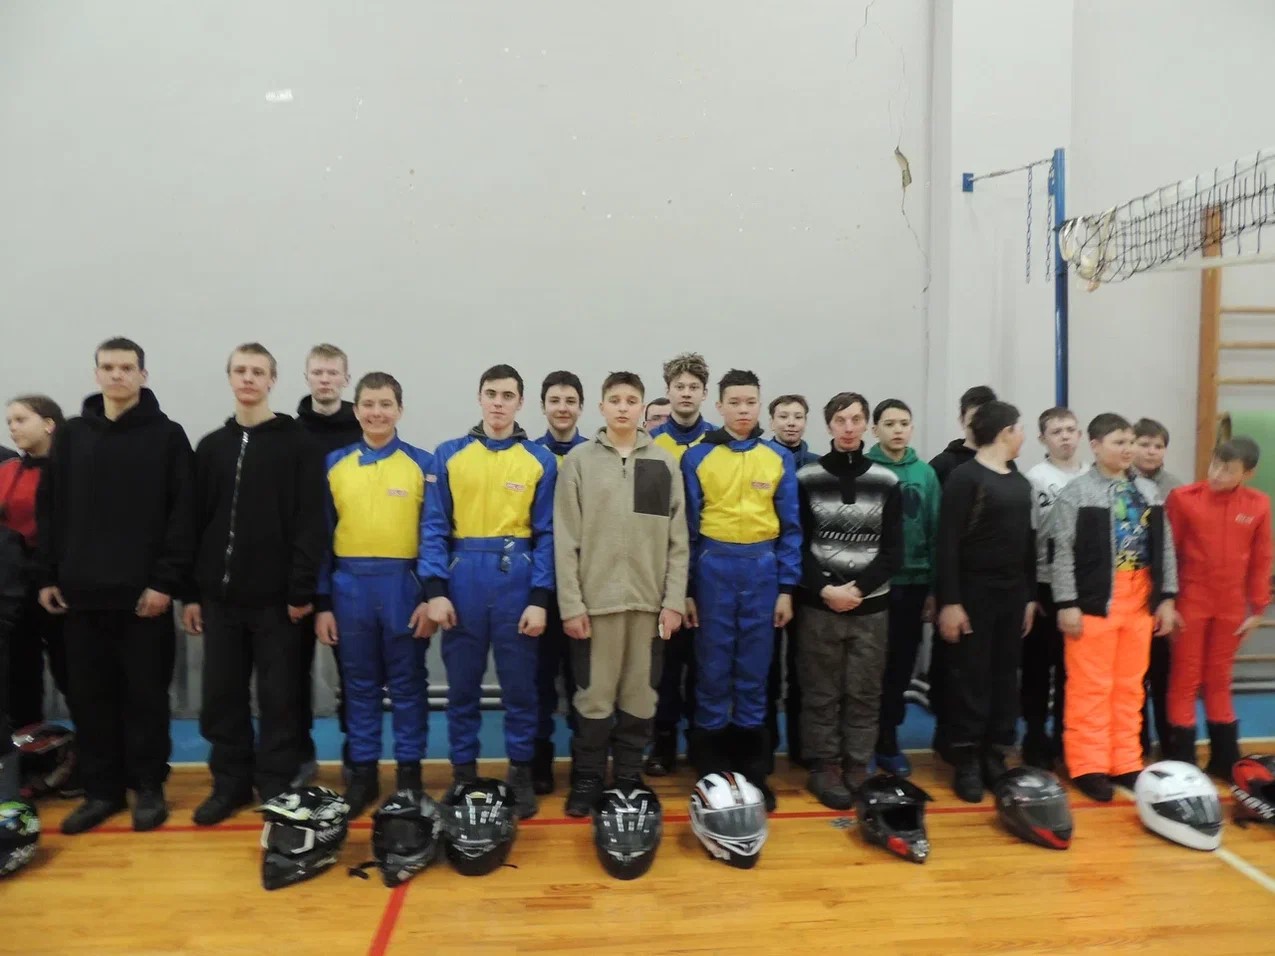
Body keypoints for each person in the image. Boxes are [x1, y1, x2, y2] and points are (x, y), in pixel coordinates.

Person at [36, 337, 196, 834]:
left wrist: (165, 582)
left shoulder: (167, 436)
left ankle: (148, 786)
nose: (117, 375)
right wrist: (48, 575)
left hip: (143, 599)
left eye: (127, 368)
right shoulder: (72, 435)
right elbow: (50, 509)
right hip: (81, 597)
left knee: (145, 697)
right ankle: (102, 791)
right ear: (96, 374)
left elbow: (183, 514)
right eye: (108, 367)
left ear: (143, 375)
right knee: (90, 698)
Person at [183, 344, 326, 825]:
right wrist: (192, 593)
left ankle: (277, 784)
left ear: (272, 381)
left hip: (278, 603)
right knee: (221, 697)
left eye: (257, 371)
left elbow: (310, 523)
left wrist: (300, 589)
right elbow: (194, 523)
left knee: (280, 698)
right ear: (230, 378)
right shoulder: (211, 448)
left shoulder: (299, 445)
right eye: (240, 370)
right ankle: (229, 784)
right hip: (220, 600)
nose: (248, 378)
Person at [422, 365, 557, 818]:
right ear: (479, 398)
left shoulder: (540, 460)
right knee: (462, 687)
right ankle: (463, 773)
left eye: (507, 395)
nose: (498, 402)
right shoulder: (449, 455)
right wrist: (436, 589)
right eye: (491, 394)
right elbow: (434, 527)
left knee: (520, 688)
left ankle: (520, 773)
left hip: (517, 578)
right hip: (463, 581)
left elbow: (548, 534)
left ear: (520, 403)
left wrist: (539, 598)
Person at [553, 371, 688, 816]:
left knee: (640, 697)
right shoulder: (579, 462)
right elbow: (565, 540)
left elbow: (677, 540)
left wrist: (672, 601)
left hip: (648, 608)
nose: (623, 407)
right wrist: (571, 605)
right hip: (596, 607)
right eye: (615, 400)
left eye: (632, 400)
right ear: (602, 407)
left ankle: (629, 777)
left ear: (643, 407)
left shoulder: (662, 463)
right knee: (593, 698)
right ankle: (588, 778)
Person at [314, 372, 435, 817]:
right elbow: (321, 539)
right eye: (368, 404)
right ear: (356, 409)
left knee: (408, 684)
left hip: (404, 585)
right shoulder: (334, 464)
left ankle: (409, 775)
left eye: (386, 404)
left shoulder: (423, 465)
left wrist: (429, 595)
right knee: (358, 685)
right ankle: (363, 774)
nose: (377, 412)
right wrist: (323, 603)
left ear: (399, 410)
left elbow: (434, 534)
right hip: (349, 587)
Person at [682, 369, 801, 810]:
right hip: (713, 568)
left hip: (763, 570)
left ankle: (753, 771)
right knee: (713, 668)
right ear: (719, 406)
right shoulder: (697, 457)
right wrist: (687, 589)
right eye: (734, 402)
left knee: (754, 670)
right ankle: (711, 769)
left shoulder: (778, 458)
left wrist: (786, 588)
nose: (743, 410)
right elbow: (686, 531)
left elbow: (791, 528)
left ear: (759, 405)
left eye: (750, 402)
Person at [1047, 413, 1177, 802]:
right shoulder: (1077, 493)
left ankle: (1125, 761)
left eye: (1130, 442)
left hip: (1139, 600)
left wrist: (1166, 597)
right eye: (1119, 442)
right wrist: (1066, 602)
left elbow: (1165, 547)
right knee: (1091, 687)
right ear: (1096, 445)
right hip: (1095, 603)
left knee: (1130, 686)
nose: (1128, 449)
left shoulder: (1148, 491)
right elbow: (1060, 551)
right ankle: (1088, 764)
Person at [796, 392, 902, 808]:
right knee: (820, 690)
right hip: (819, 604)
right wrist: (825, 590)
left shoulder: (887, 481)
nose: (848, 427)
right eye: (840, 420)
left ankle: (858, 763)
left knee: (864, 690)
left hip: (870, 607)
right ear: (829, 426)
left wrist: (857, 590)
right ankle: (824, 765)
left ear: (866, 425)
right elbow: (798, 544)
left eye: (856, 419)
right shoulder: (806, 478)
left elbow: (893, 552)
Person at [934, 401, 1035, 803]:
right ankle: (966, 759)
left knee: (1004, 677)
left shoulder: (1019, 480)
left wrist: (1028, 598)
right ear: (1006, 431)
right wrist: (950, 602)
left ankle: (995, 753)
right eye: (1020, 428)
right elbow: (947, 544)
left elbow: (1027, 546)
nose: (1023, 435)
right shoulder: (965, 478)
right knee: (970, 677)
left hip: (1012, 596)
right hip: (973, 594)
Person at [1164, 437, 1271, 781]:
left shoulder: (1259, 504)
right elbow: (1168, 555)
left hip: (1231, 607)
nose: (1216, 474)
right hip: (1191, 602)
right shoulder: (1184, 499)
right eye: (1214, 465)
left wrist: (1257, 610)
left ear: (1247, 473)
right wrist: (1168, 601)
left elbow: (1261, 559)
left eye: (1227, 470)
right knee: (1185, 678)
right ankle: (1182, 761)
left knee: (1219, 679)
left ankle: (1225, 760)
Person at [294, 343, 362, 785]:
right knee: (291, 674)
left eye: (332, 373)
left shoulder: (364, 431)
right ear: (307, 377)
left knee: (355, 675)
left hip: (350, 576)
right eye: (317, 372)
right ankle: (299, 756)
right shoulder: (290, 433)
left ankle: (357, 756)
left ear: (345, 378)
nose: (324, 379)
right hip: (299, 573)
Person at [645, 352, 715, 776]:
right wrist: (675, 586)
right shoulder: (652, 446)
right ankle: (664, 740)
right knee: (666, 666)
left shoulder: (719, 443)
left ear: (705, 394)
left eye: (694, 387)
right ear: (668, 392)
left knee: (707, 664)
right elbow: (650, 518)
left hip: (713, 571)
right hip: (666, 575)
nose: (686, 394)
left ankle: (703, 744)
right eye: (679, 387)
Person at [865, 398, 940, 776]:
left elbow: (935, 530)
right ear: (875, 429)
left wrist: (934, 589)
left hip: (913, 584)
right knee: (868, 666)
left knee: (900, 666)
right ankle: (861, 739)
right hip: (872, 586)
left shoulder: (925, 474)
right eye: (890, 423)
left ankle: (888, 739)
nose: (898, 430)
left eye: (904, 423)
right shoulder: (866, 469)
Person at [531, 371, 588, 795]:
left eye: (570, 400)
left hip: (586, 588)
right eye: (555, 400)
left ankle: (586, 766)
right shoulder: (530, 456)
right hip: (539, 588)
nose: (562, 408)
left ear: (581, 407)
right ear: (543, 406)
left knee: (584, 682)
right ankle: (539, 763)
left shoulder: (595, 456)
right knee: (539, 682)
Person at [1020, 407, 1087, 769]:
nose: (1064, 436)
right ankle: (1034, 736)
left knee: (1072, 669)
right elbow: (1026, 539)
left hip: (1082, 586)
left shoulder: (1094, 477)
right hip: (1045, 583)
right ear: (1042, 438)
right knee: (1038, 665)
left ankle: (1067, 734)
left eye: (1070, 430)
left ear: (1080, 435)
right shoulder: (1034, 479)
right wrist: (1030, 592)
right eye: (1056, 431)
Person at [2, 396, 70, 730]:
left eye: (21, 420)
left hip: (62, 580)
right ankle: (28, 744)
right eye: (9, 422)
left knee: (71, 668)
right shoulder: (7, 471)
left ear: (48, 424)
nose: (13, 428)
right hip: (15, 584)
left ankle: (97, 749)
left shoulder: (75, 470)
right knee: (19, 670)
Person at [765, 394, 818, 769]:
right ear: (771, 421)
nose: (791, 423)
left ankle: (803, 747)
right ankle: (765, 745)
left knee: (805, 666)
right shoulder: (762, 459)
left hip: (809, 580)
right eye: (783, 416)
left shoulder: (817, 466)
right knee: (767, 668)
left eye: (798, 416)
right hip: (769, 577)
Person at [1132, 417, 1183, 758]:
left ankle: (1169, 742)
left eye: (1158, 446)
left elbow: (1178, 546)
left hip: (1162, 594)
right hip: (1129, 595)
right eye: (1145, 444)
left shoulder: (1175, 489)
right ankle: (1135, 744)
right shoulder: (1120, 484)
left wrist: (1170, 596)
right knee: (1132, 677)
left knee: (1164, 674)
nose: (1151, 451)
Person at [928, 385, 998, 486]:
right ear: (962, 420)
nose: (980, 424)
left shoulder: (1004, 462)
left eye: (986, 417)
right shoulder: (941, 465)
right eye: (974, 418)